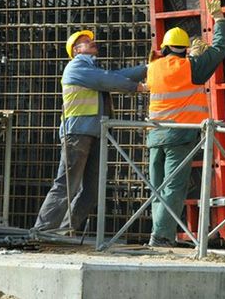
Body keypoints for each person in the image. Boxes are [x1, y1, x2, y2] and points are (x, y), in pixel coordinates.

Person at [33, 29, 147, 233]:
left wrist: (148, 68)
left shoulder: (92, 70)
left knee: (91, 189)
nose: (93, 43)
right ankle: (42, 231)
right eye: (87, 42)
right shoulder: (76, 67)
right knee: (66, 185)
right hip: (77, 134)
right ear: (76, 50)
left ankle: (64, 231)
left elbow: (114, 75)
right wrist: (138, 87)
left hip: (93, 134)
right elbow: (108, 80)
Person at [146, 0, 225, 247]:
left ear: (165, 47)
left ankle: (158, 233)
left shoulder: (154, 66)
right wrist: (220, 21)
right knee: (173, 187)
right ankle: (161, 237)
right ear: (184, 48)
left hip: (154, 136)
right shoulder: (191, 67)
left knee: (158, 187)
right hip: (179, 136)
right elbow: (220, 48)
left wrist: (193, 56)